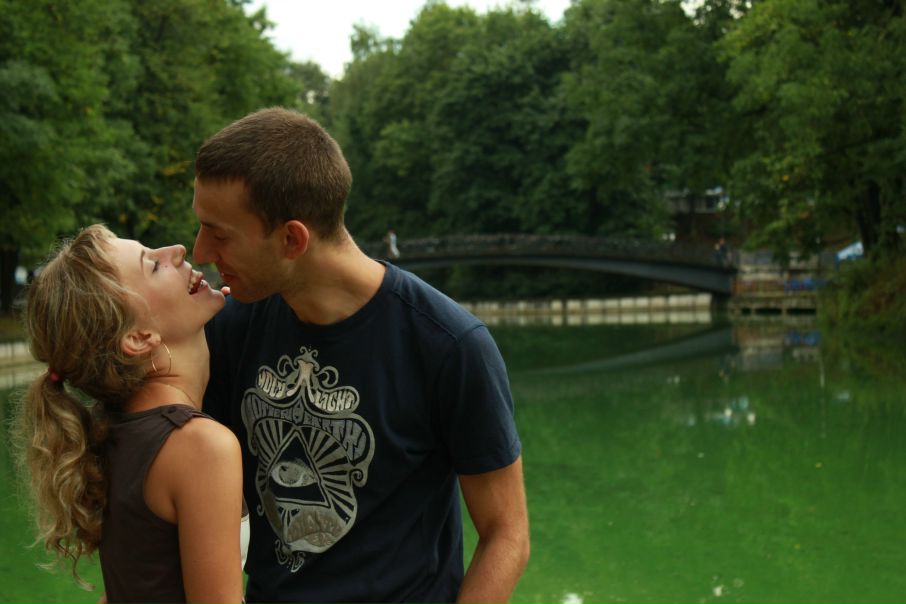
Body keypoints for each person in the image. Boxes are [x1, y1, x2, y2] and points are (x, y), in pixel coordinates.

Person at [193, 107, 529, 604]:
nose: (201, 250)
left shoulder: (449, 345)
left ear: (292, 239)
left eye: (219, 233)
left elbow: (506, 533)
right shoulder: (228, 330)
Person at [13, 224, 246, 603]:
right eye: (152, 265)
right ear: (138, 338)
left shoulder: (110, 431)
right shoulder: (200, 448)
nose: (176, 249)